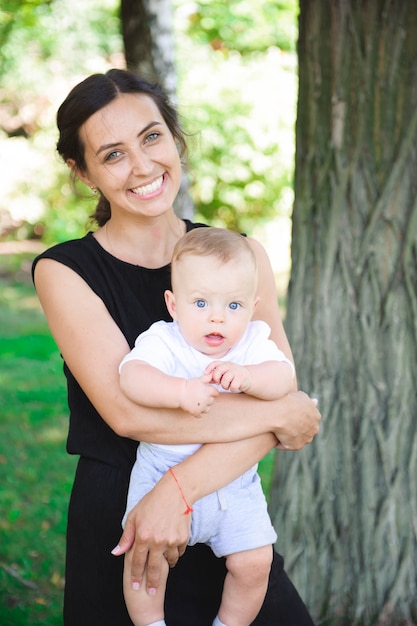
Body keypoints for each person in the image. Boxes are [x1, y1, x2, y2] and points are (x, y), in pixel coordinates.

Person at [31, 68, 321, 626]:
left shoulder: (242, 255)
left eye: (151, 136)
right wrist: (278, 410)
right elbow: (126, 412)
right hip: (127, 516)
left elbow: (276, 391)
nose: (142, 166)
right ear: (82, 171)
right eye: (112, 154)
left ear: (174, 137)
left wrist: (181, 489)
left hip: (227, 502)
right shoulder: (64, 271)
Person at [119, 227, 296, 626]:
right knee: (146, 562)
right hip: (160, 473)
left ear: (252, 307)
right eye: (200, 302)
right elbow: (131, 377)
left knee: (255, 563)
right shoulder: (164, 341)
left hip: (232, 483)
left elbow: (285, 379)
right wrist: (178, 390)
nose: (217, 316)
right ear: (174, 304)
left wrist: (249, 376)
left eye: (233, 306)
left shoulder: (251, 344)